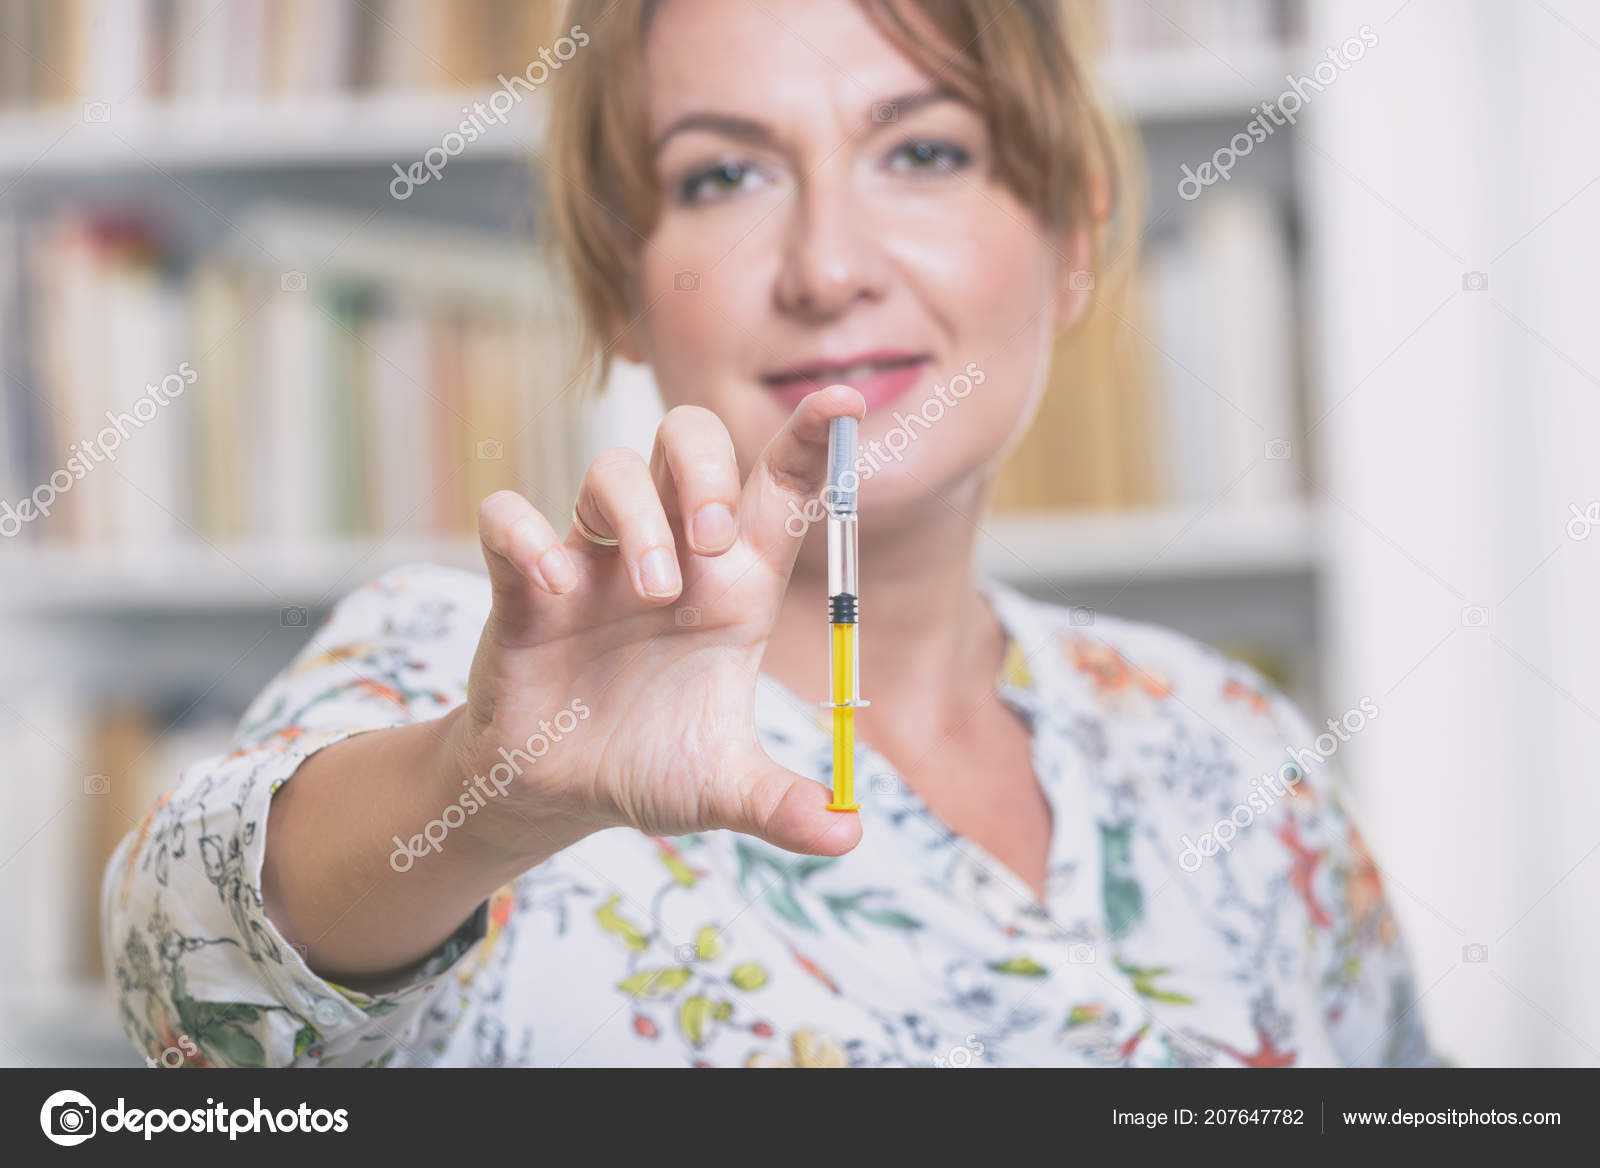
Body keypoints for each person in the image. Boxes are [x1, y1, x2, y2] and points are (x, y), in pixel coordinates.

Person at [101, 0, 1433, 1068]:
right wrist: (481, 800)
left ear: (1071, 242)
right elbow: (190, 979)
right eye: (725, 174)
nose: (828, 266)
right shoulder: (460, 666)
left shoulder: (1230, 745)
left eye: (925, 150)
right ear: (622, 288)